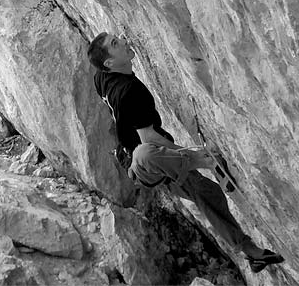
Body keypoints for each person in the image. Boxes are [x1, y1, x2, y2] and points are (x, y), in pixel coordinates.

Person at [87, 32, 284, 273]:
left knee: (206, 192)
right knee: (146, 153)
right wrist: (196, 156)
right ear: (109, 63)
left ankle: (253, 253)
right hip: (143, 165)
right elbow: (149, 139)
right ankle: (207, 161)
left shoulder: (101, 78)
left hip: (154, 157)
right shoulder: (130, 92)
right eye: (116, 44)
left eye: (118, 38)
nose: (123, 41)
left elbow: (108, 90)